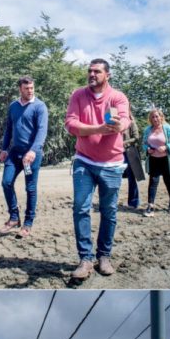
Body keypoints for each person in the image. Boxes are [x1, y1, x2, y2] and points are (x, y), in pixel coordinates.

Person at [64, 58, 132, 280]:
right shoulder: (78, 95)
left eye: (97, 71)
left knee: (109, 211)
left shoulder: (117, 97)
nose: (92, 74)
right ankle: (85, 259)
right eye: (89, 71)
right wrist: (100, 128)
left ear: (107, 75)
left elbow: (123, 120)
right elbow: (71, 124)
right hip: (84, 160)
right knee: (80, 208)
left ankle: (104, 256)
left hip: (112, 164)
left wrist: (120, 125)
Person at [0, 76, 49, 238]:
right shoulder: (13, 106)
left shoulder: (40, 107)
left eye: (32, 88)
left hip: (31, 156)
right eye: (27, 88)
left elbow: (42, 131)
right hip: (15, 153)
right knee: (6, 182)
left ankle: (28, 223)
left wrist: (33, 151)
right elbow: (8, 129)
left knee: (30, 188)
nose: (30, 91)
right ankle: (14, 218)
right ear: (20, 89)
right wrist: (5, 148)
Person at [141, 108, 170, 217]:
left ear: (161, 117)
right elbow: (144, 143)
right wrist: (147, 149)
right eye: (152, 117)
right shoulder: (148, 130)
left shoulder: (168, 128)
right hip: (153, 159)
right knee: (153, 182)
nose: (155, 118)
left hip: (165, 159)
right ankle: (150, 206)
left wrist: (166, 147)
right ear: (150, 119)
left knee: (168, 180)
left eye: (157, 116)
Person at [121, 115, 145, 210]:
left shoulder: (131, 122)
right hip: (116, 153)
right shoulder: (114, 121)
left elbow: (136, 137)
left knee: (132, 178)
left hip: (129, 153)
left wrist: (123, 143)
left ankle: (133, 202)